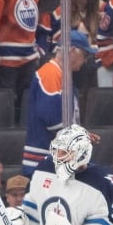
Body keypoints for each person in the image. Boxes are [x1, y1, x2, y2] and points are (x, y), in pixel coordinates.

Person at [22, 30, 96, 176]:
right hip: (43, 161)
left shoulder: (61, 75)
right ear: (72, 50)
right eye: (85, 54)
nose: (86, 59)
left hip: (53, 160)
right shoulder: (50, 73)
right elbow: (52, 119)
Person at [0, 0, 41, 117]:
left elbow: (33, 22)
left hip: (29, 57)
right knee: (5, 109)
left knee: (27, 107)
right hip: (5, 60)